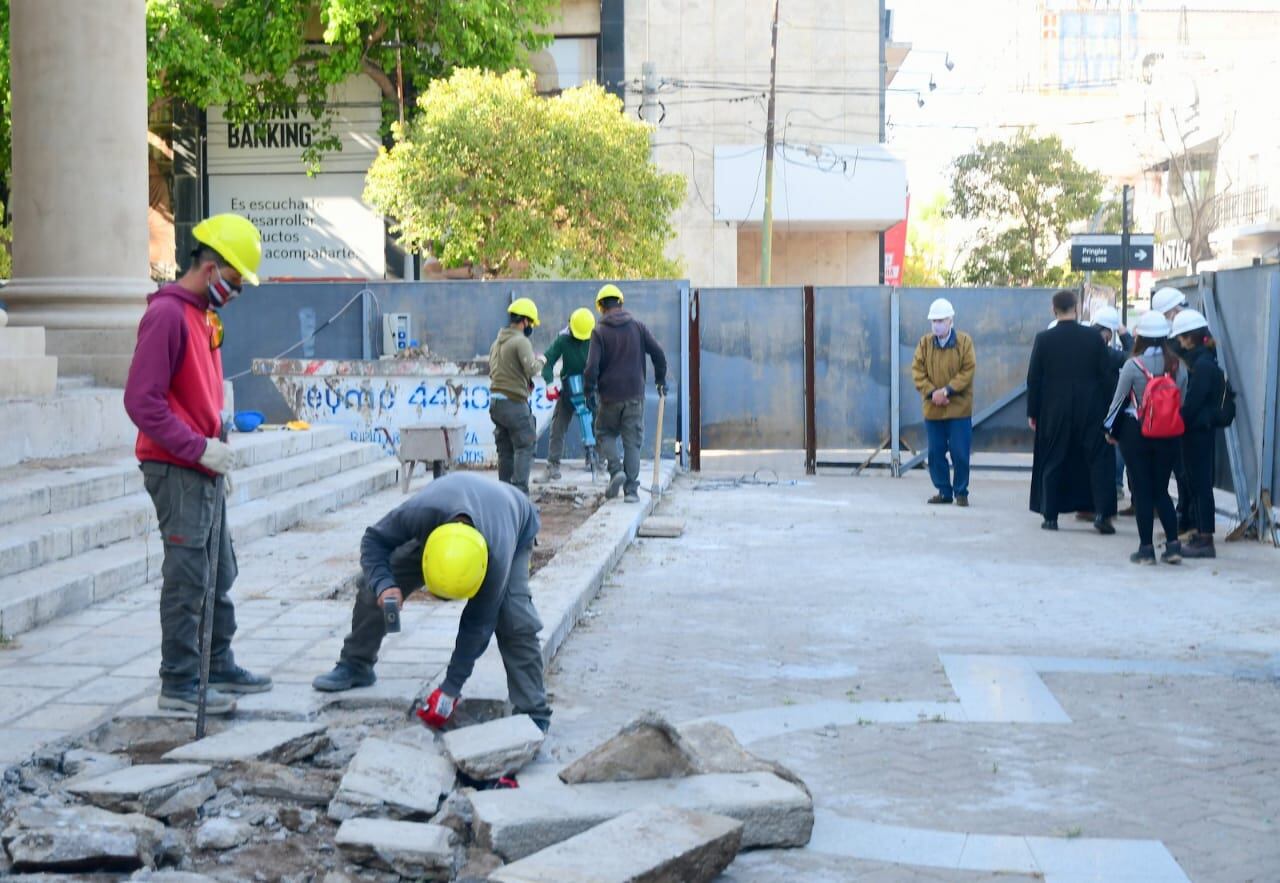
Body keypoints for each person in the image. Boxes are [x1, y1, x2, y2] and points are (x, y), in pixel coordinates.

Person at [123, 213, 272, 714]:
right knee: (188, 573)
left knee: (219, 569)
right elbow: (143, 403)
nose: (237, 291)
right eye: (234, 281)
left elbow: (195, 391)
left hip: (203, 464)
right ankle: (180, 682)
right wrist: (197, 447)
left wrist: (218, 433)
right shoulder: (166, 315)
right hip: (176, 466)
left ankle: (217, 660)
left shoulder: (204, 317)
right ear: (211, 269)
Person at [311, 473, 551, 732]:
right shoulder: (420, 513)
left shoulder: (497, 555)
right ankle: (356, 665)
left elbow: (478, 624)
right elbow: (374, 540)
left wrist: (451, 688)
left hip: (514, 520)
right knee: (375, 585)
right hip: (445, 523)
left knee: (514, 619)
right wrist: (385, 584)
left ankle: (533, 713)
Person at [1026, 290, 1116, 533]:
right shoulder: (1093, 338)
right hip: (1092, 407)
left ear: (1053, 310)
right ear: (1076, 309)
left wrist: (1033, 412)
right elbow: (1105, 376)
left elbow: (1034, 379)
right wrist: (1110, 410)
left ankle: (1050, 516)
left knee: (1053, 458)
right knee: (1098, 459)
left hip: (1055, 409)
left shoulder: (1044, 339)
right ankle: (1102, 514)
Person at [1103, 311, 1188, 565]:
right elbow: (1181, 401)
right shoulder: (1177, 366)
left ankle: (1146, 549)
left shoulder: (1132, 365)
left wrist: (1110, 431)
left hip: (1135, 433)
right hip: (1169, 434)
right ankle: (1173, 546)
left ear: (1140, 337)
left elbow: (1118, 402)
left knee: (1142, 490)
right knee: (1161, 489)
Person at [584, 284, 668, 503]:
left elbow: (591, 367)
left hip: (610, 396)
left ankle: (615, 470)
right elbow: (658, 352)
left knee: (604, 433)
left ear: (601, 307)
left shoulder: (599, 331)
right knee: (632, 443)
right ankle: (631, 491)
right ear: (621, 303)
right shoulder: (638, 327)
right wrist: (660, 379)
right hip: (634, 396)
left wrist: (589, 392)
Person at [911, 297, 977, 506]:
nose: (937, 325)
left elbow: (968, 370)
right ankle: (944, 491)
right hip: (934, 409)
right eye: (934, 321)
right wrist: (933, 394)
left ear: (951, 321)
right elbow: (917, 371)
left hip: (958, 409)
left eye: (941, 320)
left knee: (960, 453)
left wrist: (947, 391)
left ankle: (961, 492)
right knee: (935, 453)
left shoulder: (964, 342)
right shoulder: (925, 343)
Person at [1172, 309, 1224, 559]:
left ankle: (1205, 539)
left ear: (1189, 337)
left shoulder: (1201, 365)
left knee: (1201, 483)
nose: (1179, 343)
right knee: (1196, 481)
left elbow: (1193, 403)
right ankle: (1201, 534)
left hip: (1197, 432)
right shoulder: (1205, 359)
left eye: (1181, 338)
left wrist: (1176, 422)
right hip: (1199, 430)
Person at [1078, 306, 1134, 520]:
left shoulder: (1080, 346)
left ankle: (1086, 506)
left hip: (1081, 411)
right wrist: (1125, 334)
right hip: (1104, 410)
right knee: (1105, 459)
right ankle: (1103, 509)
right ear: (1107, 333)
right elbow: (1132, 358)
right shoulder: (1105, 352)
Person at [488, 298, 545, 496]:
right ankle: (520, 494)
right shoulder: (521, 341)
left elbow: (496, 372)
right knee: (525, 444)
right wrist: (542, 360)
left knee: (505, 451)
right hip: (514, 403)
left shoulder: (497, 342)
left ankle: (504, 494)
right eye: (530, 323)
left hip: (496, 404)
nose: (530, 327)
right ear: (525, 321)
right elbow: (532, 367)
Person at [1152, 285, 1195, 533]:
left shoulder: (1180, 341)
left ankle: (1187, 516)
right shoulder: (1187, 338)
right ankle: (1185, 515)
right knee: (1182, 469)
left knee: (1183, 470)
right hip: (1181, 414)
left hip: (1181, 414)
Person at [541, 308, 596, 481]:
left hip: (589, 388)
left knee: (594, 424)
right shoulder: (563, 339)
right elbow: (547, 362)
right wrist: (549, 384)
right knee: (558, 427)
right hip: (569, 389)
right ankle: (553, 465)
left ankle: (595, 460)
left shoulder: (595, 338)